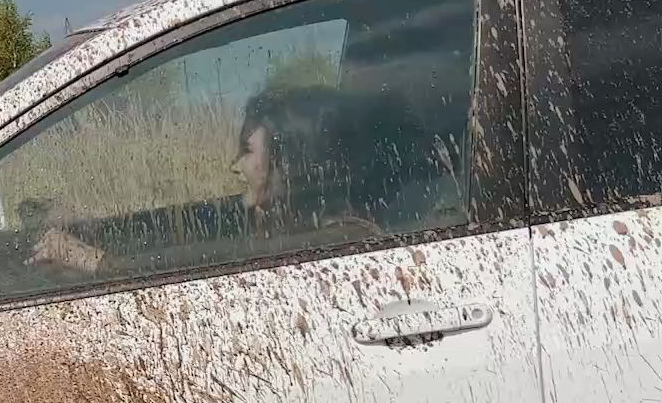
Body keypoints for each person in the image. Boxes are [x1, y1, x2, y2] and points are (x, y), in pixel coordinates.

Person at [27, 84, 450, 276]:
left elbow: (183, 298)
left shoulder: (332, 246)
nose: (236, 167)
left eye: (248, 151)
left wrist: (96, 264)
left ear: (294, 161)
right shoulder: (307, 224)